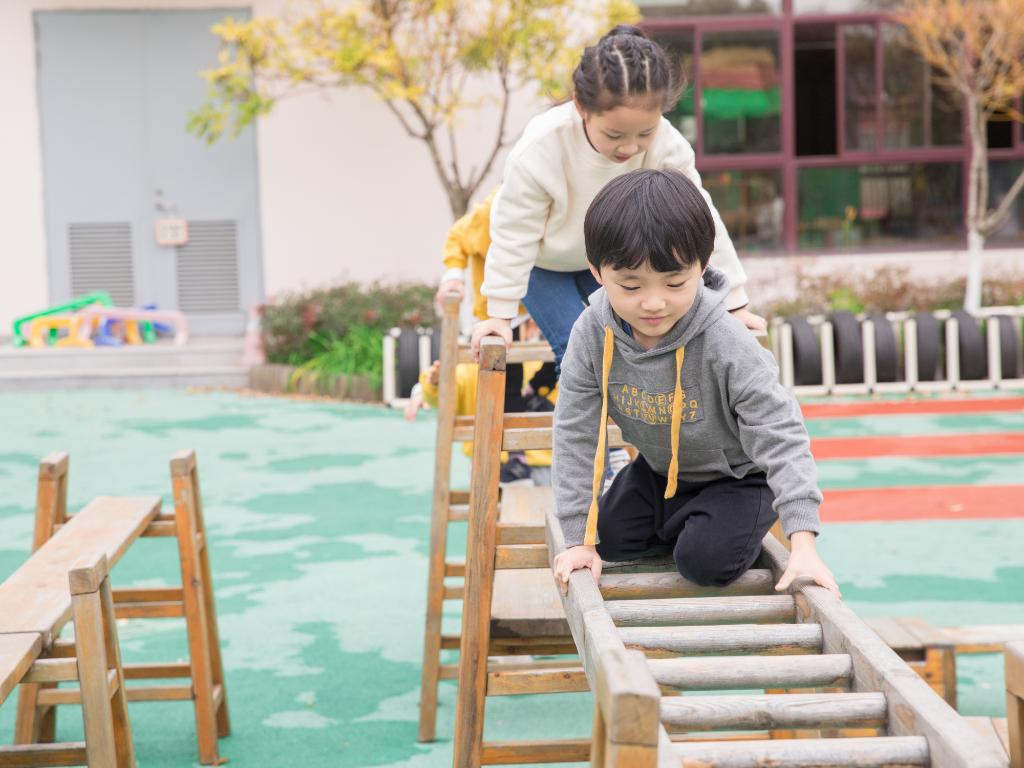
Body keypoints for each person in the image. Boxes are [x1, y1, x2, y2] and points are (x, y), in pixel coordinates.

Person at [551, 169, 839, 599]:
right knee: (607, 538)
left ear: (702, 268)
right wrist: (577, 540)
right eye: (630, 285)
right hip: (659, 471)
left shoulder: (726, 341)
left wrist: (803, 540)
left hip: (738, 477)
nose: (653, 302)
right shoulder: (592, 333)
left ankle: (718, 523)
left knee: (703, 563)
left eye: (674, 283)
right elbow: (575, 430)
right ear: (596, 272)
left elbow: (781, 433)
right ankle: (690, 520)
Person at [471, 24, 766, 370]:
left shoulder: (668, 146)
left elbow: (701, 222)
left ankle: (639, 422)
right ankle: (585, 424)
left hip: (609, 261)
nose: (629, 147)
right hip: (544, 266)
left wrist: (734, 303)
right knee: (576, 342)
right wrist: (500, 316)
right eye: (614, 134)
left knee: (639, 336)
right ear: (581, 106)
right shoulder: (542, 148)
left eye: (645, 132)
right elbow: (513, 234)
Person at [436, 189, 557, 409]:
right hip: (495, 308)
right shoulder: (488, 213)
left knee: (566, 346)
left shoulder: (550, 208)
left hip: (533, 302)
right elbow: (457, 237)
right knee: (506, 378)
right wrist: (453, 274)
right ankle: (518, 407)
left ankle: (536, 391)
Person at [418, 354, 556, 486]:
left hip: (545, 463)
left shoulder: (540, 361)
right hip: (490, 462)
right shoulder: (470, 368)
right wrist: (436, 384)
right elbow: (443, 398)